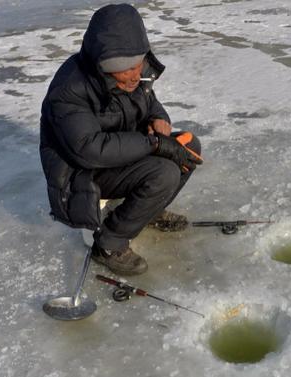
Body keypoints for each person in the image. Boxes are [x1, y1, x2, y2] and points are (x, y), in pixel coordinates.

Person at [39, 4, 202, 276]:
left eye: (139, 65)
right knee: (163, 172)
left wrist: (158, 119)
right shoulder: (69, 90)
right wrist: (154, 145)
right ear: (104, 65)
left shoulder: (133, 72)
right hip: (83, 173)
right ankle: (109, 243)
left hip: (122, 150)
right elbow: (89, 150)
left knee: (188, 148)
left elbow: (149, 100)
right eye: (126, 70)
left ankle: (147, 212)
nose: (136, 75)